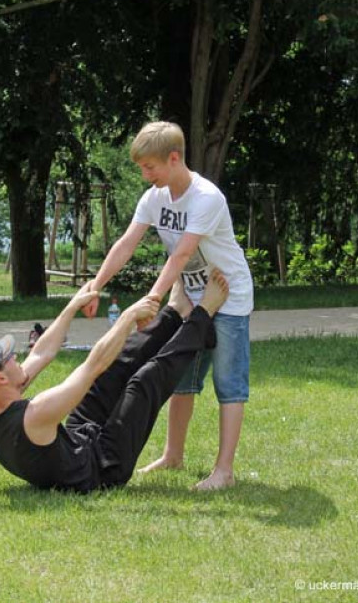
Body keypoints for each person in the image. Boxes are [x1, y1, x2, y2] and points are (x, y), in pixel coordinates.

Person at [81, 121, 253, 491]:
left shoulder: (206, 197)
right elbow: (127, 244)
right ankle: (173, 455)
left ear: (174, 159)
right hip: (191, 298)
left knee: (229, 383)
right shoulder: (155, 198)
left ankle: (224, 471)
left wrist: (152, 300)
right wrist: (95, 287)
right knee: (182, 380)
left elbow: (183, 254)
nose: (145, 175)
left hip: (229, 296)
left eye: (150, 167)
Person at [0, 273, 229, 493]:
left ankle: (174, 312)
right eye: (9, 358)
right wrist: (127, 318)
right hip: (103, 467)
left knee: (109, 374)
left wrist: (71, 306)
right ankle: (203, 313)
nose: (16, 356)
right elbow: (92, 365)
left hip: (76, 443)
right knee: (143, 381)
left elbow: (42, 352)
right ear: (1, 377)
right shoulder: (36, 414)